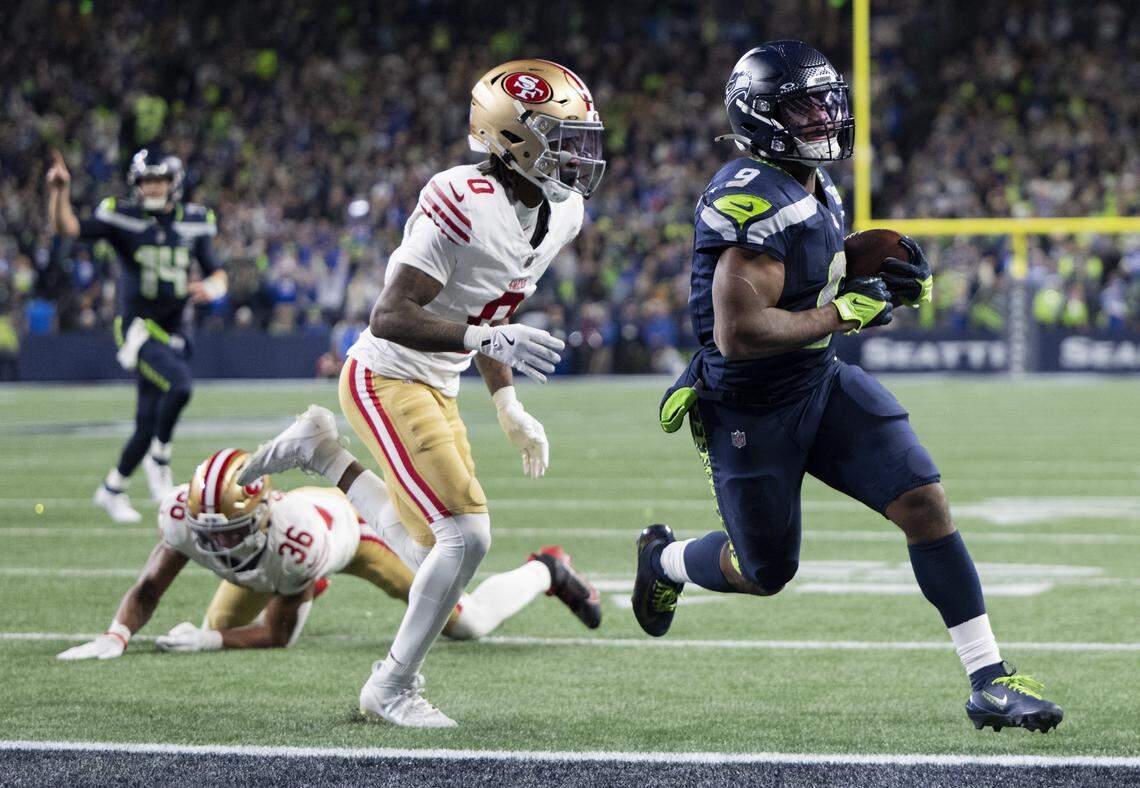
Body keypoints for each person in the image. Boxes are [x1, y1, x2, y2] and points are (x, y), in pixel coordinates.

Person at [631, 40, 1062, 734]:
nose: (824, 115)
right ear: (761, 114)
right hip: (750, 402)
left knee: (923, 498)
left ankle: (988, 678)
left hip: (819, 380)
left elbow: (819, 256)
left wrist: (879, 265)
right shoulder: (747, 198)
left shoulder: (806, 178)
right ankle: (666, 561)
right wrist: (842, 313)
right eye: (805, 104)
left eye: (829, 100)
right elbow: (741, 330)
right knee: (766, 569)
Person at [239, 58, 606, 727]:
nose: (577, 153)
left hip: (438, 382)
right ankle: (390, 688)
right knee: (466, 536)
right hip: (386, 375)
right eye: (561, 135)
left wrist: (507, 403)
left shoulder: (563, 211)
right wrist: (484, 344)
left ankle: (324, 455)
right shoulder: (459, 197)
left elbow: (495, 313)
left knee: (436, 553)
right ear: (512, 137)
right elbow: (390, 315)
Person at [57, 438, 600, 662]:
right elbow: (151, 583)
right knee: (217, 623)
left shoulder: (300, 544)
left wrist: (209, 640)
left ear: (259, 512)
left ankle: (545, 570)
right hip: (280, 553)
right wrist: (116, 634)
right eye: (209, 531)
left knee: (469, 623)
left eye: (226, 532)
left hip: (356, 533)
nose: (215, 542)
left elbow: (277, 634)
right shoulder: (188, 515)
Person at [46, 148, 228, 522]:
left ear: (173, 182)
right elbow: (68, 228)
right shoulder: (122, 217)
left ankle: (112, 489)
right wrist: (59, 193)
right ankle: (159, 463)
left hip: (175, 330)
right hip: (137, 329)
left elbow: (216, 271)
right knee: (180, 387)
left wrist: (213, 288)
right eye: (147, 180)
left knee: (146, 421)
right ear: (137, 185)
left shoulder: (193, 220)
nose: (153, 187)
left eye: (160, 179)